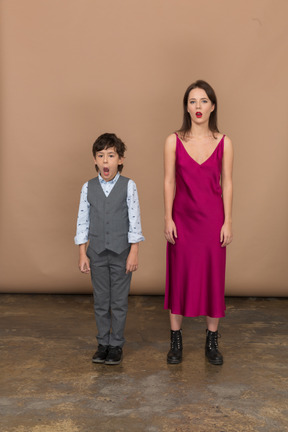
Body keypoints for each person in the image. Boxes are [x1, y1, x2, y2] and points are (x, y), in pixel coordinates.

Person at [164, 80, 233, 365]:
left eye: (203, 101)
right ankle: (175, 341)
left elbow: (227, 183)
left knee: (213, 277)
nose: (198, 107)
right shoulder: (173, 140)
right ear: (186, 107)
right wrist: (167, 217)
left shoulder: (225, 142)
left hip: (213, 220)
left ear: (213, 106)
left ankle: (212, 342)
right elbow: (169, 180)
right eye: (192, 101)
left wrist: (228, 221)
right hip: (182, 218)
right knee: (178, 276)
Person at [74, 133, 144, 365]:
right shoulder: (88, 187)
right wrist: (82, 252)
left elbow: (134, 221)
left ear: (120, 159)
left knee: (119, 302)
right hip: (96, 253)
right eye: (101, 156)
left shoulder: (128, 186)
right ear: (95, 159)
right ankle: (103, 342)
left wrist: (133, 251)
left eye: (111, 156)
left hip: (122, 253)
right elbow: (82, 221)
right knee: (101, 301)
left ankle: (116, 345)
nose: (106, 161)